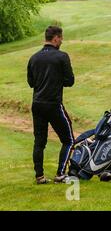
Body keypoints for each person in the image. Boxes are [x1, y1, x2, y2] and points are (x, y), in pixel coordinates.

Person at [27, 26, 75, 184]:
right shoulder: (62, 56)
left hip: (37, 104)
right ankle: (60, 174)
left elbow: (31, 83)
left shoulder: (34, 58)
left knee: (39, 142)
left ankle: (39, 176)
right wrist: (57, 79)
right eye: (61, 38)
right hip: (53, 104)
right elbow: (70, 81)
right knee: (68, 140)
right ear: (55, 38)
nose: (62, 41)